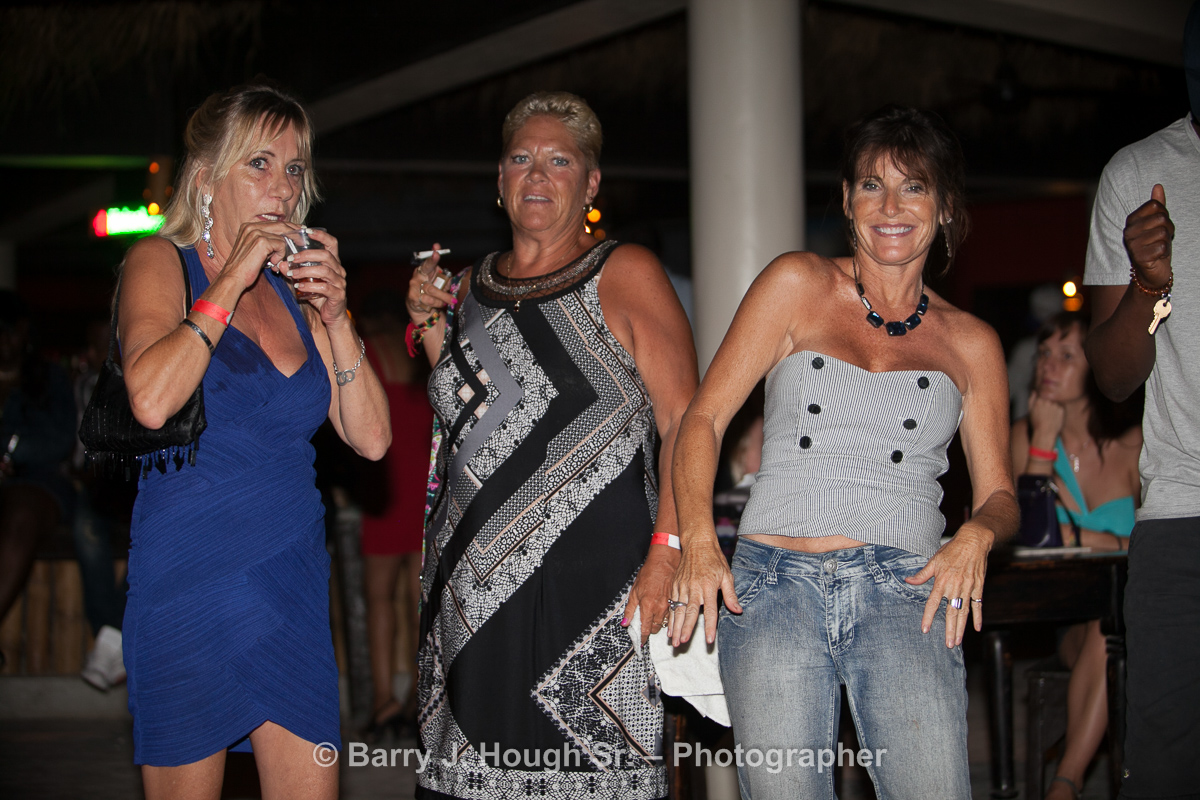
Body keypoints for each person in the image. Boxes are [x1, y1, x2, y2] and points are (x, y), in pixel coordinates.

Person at [670, 105, 1018, 799]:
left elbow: (1001, 495)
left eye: (913, 187)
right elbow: (702, 418)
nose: (890, 207)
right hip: (773, 588)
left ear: (946, 207)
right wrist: (699, 542)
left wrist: (978, 534)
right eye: (870, 185)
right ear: (847, 200)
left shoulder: (972, 342)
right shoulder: (797, 284)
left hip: (909, 592)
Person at [406, 91, 698, 800]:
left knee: (597, 774)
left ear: (591, 183)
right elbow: (471, 417)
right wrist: (430, 326)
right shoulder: (468, 287)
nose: (536, 175)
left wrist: (668, 552)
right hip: (473, 592)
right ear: (499, 179)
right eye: (521, 159)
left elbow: (687, 423)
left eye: (559, 161)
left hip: (596, 590)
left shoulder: (624, 272)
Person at [118, 83, 390, 799]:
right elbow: (151, 399)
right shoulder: (160, 262)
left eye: (294, 169)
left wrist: (335, 316)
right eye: (260, 164)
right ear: (207, 179)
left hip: (289, 584)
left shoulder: (297, 290)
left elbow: (371, 439)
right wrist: (234, 275)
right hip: (190, 579)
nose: (283, 187)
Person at [1081, 6, 1200, 795]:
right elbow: (1114, 377)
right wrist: (1147, 284)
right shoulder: (1141, 172)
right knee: (1167, 775)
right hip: (1186, 519)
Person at [1010, 312, 1142, 800]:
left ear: (1099, 365)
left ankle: (1065, 783)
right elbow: (1031, 534)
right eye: (1045, 353)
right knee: (1105, 629)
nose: (1049, 365)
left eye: (1067, 355)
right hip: (1069, 619)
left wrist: (1082, 536)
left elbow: (1159, 539)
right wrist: (1043, 444)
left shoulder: (1135, 443)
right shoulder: (1024, 435)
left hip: (1141, 613)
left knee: (1117, 622)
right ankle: (1067, 783)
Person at [353, 291, 432, 739]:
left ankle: (384, 701)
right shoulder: (419, 349)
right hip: (424, 488)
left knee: (379, 599)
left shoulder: (367, 350)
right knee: (418, 601)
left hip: (384, 490)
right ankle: (420, 698)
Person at [0, 291, 77, 644]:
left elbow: (61, 440)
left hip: (38, 481)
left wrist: (11, 447)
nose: (4, 341)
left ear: (24, 333)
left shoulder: (49, 377)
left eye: (10, 332)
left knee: (22, 515)